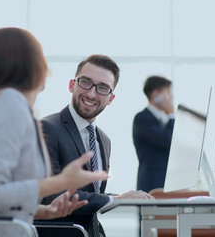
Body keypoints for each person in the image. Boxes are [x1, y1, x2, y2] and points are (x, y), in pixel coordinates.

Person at [0, 28, 108, 237]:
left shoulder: (11, 106)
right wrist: (61, 182)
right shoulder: (8, 108)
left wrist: (45, 212)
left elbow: (2, 199)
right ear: (31, 63)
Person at [40, 54, 154, 237]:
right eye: (85, 82)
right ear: (72, 85)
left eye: (102, 88)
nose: (91, 93)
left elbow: (90, 194)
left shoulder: (104, 140)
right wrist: (116, 199)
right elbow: (51, 196)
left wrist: (126, 198)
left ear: (111, 98)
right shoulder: (47, 128)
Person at [133, 75, 175, 193]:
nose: (170, 97)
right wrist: (171, 114)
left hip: (166, 184)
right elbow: (168, 140)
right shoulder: (142, 118)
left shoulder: (163, 120)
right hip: (151, 184)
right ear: (156, 95)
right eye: (167, 92)